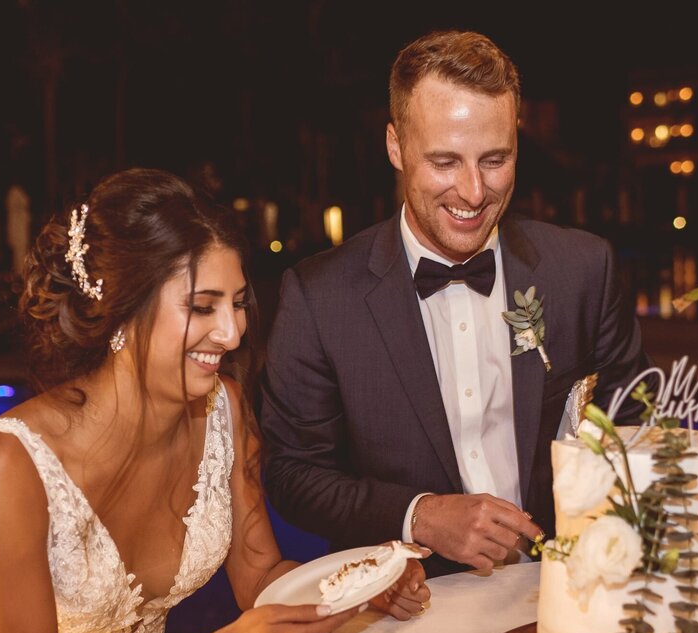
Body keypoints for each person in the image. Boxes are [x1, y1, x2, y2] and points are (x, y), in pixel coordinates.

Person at [0, 168, 429, 633]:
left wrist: (358, 587)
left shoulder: (226, 411)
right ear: (123, 311)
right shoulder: (5, 467)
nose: (233, 332)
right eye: (201, 306)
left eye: (238, 303)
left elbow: (261, 577)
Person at [260, 31, 651, 577]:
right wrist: (417, 515)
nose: (473, 192)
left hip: (563, 593)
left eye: (495, 159)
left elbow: (631, 430)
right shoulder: (319, 296)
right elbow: (293, 473)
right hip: (402, 604)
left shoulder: (584, 270)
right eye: (444, 162)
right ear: (396, 146)